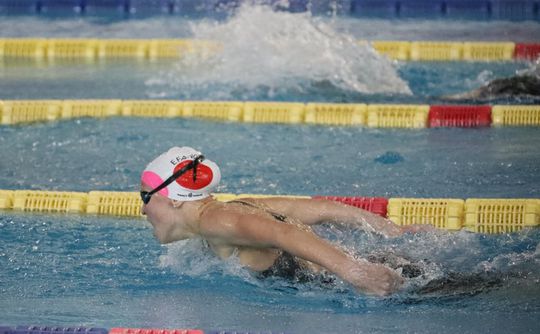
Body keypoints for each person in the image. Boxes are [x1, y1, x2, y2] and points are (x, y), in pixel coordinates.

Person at [140, 146, 435, 296]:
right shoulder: (236, 208)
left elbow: (281, 233)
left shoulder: (215, 221)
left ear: (175, 199)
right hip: (382, 262)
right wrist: (389, 229)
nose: (143, 210)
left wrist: (356, 273)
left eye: (145, 197)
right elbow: (316, 209)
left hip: (354, 278)